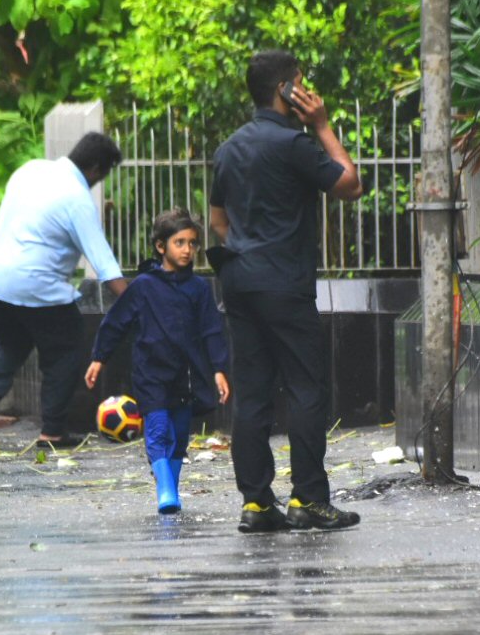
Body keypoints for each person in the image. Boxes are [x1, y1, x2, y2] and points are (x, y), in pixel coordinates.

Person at [209, 50, 363, 532]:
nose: (306, 90)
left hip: (239, 280)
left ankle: (256, 504)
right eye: (300, 83)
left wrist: (249, 251)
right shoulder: (294, 143)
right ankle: (309, 500)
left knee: (252, 394)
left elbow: (218, 221)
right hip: (284, 284)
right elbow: (350, 184)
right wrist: (321, 123)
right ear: (285, 90)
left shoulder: (229, 148)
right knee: (303, 388)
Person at [0, 132, 127, 448]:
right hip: (36, 285)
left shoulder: (31, 170)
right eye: (103, 174)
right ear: (95, 168)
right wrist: (140, 300)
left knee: (8, 344)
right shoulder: (77, 198)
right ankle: (52, 431)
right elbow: (106, 266)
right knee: (64, 350)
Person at [85, 209, 230, 514]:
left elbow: (212, 330)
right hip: (151, 374)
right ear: (161, 246)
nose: (187, 250)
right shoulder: (144, 286)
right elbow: (116, 321)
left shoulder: (200, 289)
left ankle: (171, 488)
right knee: (158, 430)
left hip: (186, 375)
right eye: (179, 242)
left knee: (178, 437)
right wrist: (99, 357)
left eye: (192, 243)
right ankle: (165, 490)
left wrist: (218, 368)